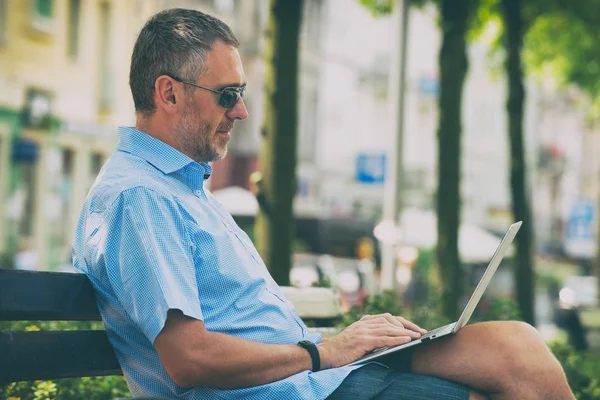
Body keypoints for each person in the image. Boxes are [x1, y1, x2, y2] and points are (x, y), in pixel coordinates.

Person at [72, 8, 575, 400]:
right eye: (227, 94)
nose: (242, 110)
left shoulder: (179, 187)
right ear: (169, 93)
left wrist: (342, 344)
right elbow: (188, 360)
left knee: (520, 348)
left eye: (241, 93)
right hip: (296, 386)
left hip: (315, 378)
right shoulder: (140, 197)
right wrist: (323, 351)